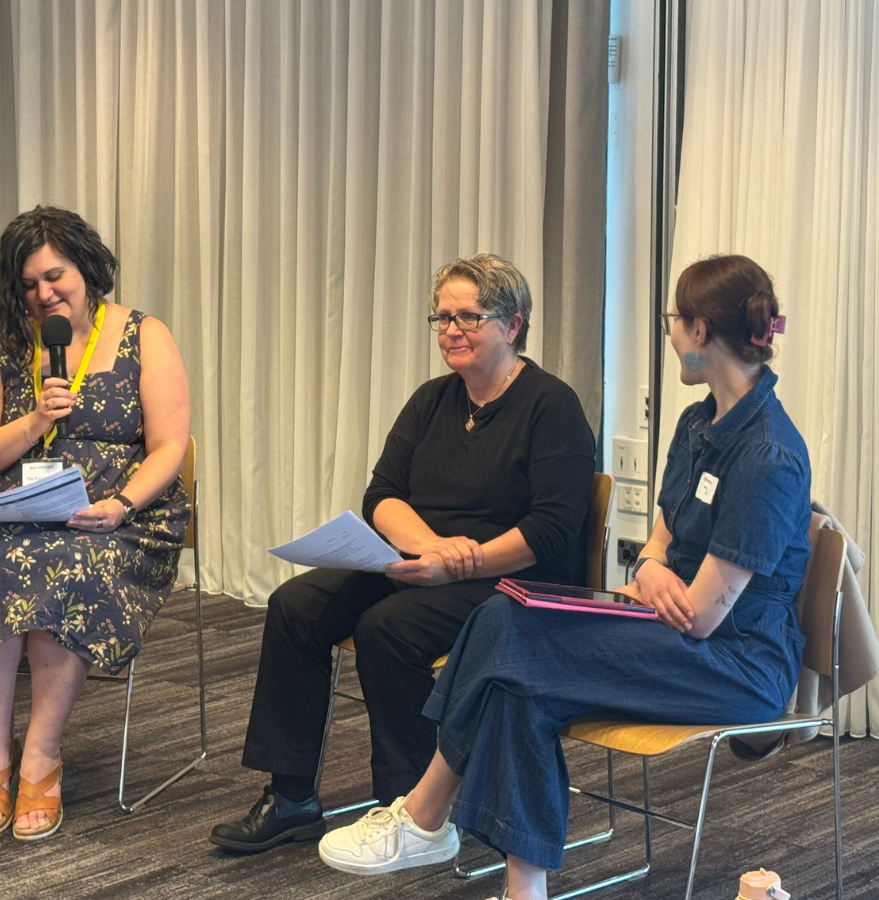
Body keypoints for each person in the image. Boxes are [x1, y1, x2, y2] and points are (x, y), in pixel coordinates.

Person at [314, 254, 812, 900]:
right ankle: (520, 888)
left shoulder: (768, 454)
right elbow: (657, 543)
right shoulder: (697, 424)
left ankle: (425, 813)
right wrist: (657, 572)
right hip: (668, 628)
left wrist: (658, 576)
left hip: (736, 661)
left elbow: (703, 613)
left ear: (701, 331)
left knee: (512, 637)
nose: (669, 334)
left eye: (674, 321)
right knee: (517, 662)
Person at [210, 253, 597, 853]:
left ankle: (414, 812)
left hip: (511, 579)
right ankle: (291, 796)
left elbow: (551, 532)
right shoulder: (434, 399)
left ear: (514, 324)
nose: (450, 330)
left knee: (385, 629)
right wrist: (431, 549)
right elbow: (382, 495)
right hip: (427, 562)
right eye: (442, 318)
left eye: (468, 317)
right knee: (293, 606)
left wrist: (460, 562)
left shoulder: (552, 406)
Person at [0, 206, 192, 840]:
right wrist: (33, 424)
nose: (45, 293)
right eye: (29, 284)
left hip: (117, 514)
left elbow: (168, 447)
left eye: (56, 276)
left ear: (87, 268)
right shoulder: (4, 343)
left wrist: (122, 503)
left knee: (70, 562)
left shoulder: (143, 334)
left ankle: (42, 757)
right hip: (14, 507)